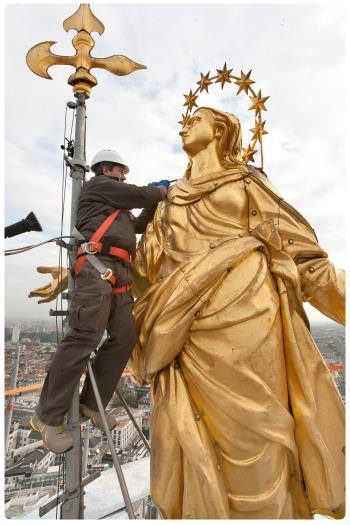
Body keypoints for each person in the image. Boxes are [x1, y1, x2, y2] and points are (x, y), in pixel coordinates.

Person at [129, 108, 345, 519]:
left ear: (221, 130)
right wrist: (85, 273)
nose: (184, 125)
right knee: (187, 443)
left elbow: (306, 258)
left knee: (260, 442)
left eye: (196, 119)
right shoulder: (168, 199)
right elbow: (141, 269)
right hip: (181, 337)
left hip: (249, 324)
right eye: (184, 121)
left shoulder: (248, 183)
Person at [31, 149, 169, 453]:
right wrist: (162, 190)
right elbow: (139, 194)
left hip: (119, 273)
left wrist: (155, 205)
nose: (124, 176)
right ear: (106, 168)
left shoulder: (115, 206)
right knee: (85, 336)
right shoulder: (99, 186)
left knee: (125, 336)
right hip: (97, 266)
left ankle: (92, 404)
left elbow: (139, 225)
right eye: (121, 170)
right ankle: (48, 416)